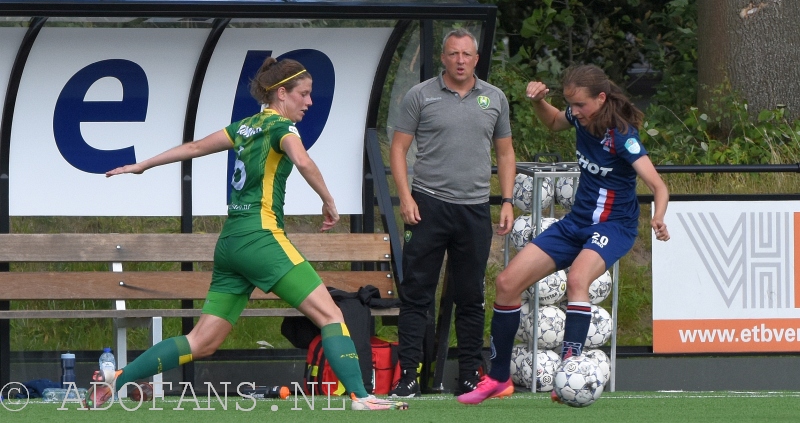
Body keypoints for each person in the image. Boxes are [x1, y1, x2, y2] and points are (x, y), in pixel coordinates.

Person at [88, 57, 408, 411]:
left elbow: (193, 148)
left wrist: (143, 164)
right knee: (331, 315)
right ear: (282, 94)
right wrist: (329, 201)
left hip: (230, 244)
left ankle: (118, 379)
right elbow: (302, 161)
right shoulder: (281, 127)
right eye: (304, 94)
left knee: (201, 341)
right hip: (261, 237)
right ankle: (361, 397)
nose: (309, 102)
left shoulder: (245, 127)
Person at [457, 64, 670, 405]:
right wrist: (539, 102)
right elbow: (554, 121)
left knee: (577, 281)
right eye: (570, 104)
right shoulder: (579, 118)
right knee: (507, 283)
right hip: (576, 224)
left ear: (601, 99)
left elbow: (658, 186)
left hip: (614, 227)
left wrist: (658, 218)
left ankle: (569, 370)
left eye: (580, 105)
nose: (574, 112)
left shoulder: (622, 136)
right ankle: (498, 378)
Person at [389, 28, 516, 397]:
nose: (460, 60)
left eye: (467, 54)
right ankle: (409, 375)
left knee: (471, 296)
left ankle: (469, 375)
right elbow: (398, 150)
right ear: (443, 58)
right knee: (417, 294)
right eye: (453, 54)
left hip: (474, 209)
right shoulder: (421, 95)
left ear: (476, 58)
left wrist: (506, 200)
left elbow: (505, 153)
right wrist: (405, 197)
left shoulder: (494, 98)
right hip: (427, 205)